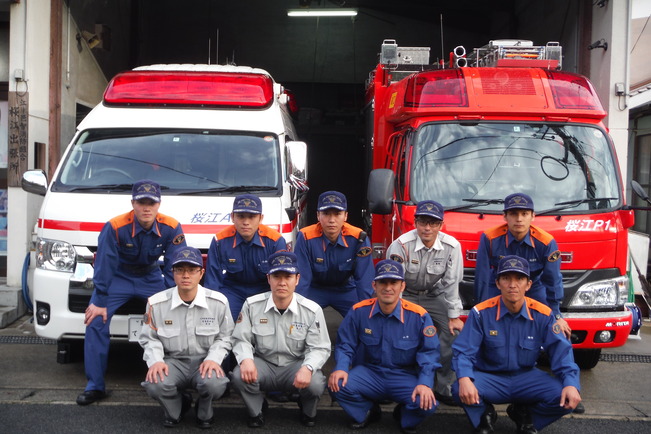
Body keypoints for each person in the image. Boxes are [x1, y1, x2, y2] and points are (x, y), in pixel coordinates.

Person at [77, 179, 186, 406]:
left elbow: (175, 264)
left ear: (159, 205)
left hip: (150, 276)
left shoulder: (171, 226)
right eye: (141, 202)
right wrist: (100, 300)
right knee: (95, 319)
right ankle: (95, 386)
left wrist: (169, 295)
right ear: (133, 203)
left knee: (173, 317)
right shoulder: (115, 226)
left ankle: (177, 382)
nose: (146, 208)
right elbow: (104, 264)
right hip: (119, 277)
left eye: (151, 203)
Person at [452, 255, 581, 434]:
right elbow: (464, 352)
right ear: (498, 283)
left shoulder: (543, 314)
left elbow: (562, 352)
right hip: (490, 378)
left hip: (526, 378)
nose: (513, 285)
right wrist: (465, 378)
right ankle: (484, 414)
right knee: (459, 387)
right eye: (506, 278)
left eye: (519, 279)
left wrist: (571, 384)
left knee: (567, 396)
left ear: (528, 285)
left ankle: (526, 417)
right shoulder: (481, 313)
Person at [328, 259, 441, 434]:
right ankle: (367, 411)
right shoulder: (359, 311)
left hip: (403, 375)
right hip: (369, 373)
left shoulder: (419, 316)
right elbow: (345, 344)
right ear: (374, 285)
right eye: (383, 282)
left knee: (427, 403)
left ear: (402, 286)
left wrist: (425, 383)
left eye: (394, 282)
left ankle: (404, 415)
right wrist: (341, 368)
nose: (388, 288)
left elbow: (429, 353)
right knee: (337, 385)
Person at [230, 251, 331, 428]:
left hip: (295, 364)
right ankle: (257, 409)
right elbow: (241, 339)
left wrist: (307, 368)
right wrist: (246, 360)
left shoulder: (311, 310)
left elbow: (320, 348)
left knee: (315, 382)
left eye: (288, 276)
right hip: (264, 363)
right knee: (239, 375)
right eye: (276, 276)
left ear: (297, 279)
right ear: (268, 279)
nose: (282, 282)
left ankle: (308, 411)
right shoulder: (252, 305)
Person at [139, 247, 233, 428]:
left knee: (215, 384)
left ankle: (204, 410)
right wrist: (156, 361)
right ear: (172, 273)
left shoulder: (218, 302)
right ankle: (178, 405)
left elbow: (226, 336)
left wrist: (214, 359)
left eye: (191, 270)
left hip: (204, 362)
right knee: (154, 383)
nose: (185, 275)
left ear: (201, 273)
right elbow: (149, 338)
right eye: (180, 270)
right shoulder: (156, 303)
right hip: (173, 362)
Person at [385, 200, 463, 406]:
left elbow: (452, 283)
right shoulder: (400, 245)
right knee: (395, 330)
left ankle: (444, 386)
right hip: (405, 295)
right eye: (422, 222)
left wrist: (454, 316)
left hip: (434, 296)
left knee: (452, 332)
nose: (427, 228)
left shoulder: (452, 246)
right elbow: (392, 283)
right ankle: (396, 382)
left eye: (433, 223)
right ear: (415, 222)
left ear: (441, 225)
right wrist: (397, 311)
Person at [474, 193, 571, 339]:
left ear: (533, 216)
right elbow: (482, 277)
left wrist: (556, 314)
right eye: (513, 214)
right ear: (505, 216)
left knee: (556, 328)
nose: (519, 219)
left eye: (524, 214)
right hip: (499, 286)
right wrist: (481, 310)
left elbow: (552, 280)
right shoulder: (490, 238)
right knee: (485, 327)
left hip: (533, 287)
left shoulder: (546, 242)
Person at [204, 194, 287, 320]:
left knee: (266, 325)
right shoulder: (219, 240)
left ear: (261, 218)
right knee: (224, 321)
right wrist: (213, 308)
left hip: (264, 291)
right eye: (240, 216)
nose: (246, 222)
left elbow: (281, 279)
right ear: (232, 217)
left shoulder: (275, 241)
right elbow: (213, 281)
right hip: (232, 291)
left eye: (252, 217)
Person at [295, 190, 374, 317]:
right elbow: (302, 279)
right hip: (315, 289)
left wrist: (365, 310)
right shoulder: (305, 237)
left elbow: (364, 278)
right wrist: (298, 308)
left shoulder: (359, 237)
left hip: (346, 289)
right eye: (326, 213)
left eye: (337, 214)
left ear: (345, 216)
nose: (332, 220)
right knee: (302, 317)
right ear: (318, 216)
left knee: (361, 317)